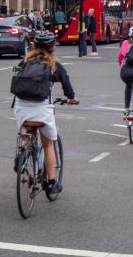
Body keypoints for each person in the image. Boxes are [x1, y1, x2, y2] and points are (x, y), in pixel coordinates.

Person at [13, 32, 78, 195]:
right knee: (48, 143)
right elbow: (67, 85)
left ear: (34, 46)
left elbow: (15, 77)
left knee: (27, 134)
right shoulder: (54, 65)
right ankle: (51, 182)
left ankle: (22, 155)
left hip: (21, 107)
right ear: (52, 47)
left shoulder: (24, 62)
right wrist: (71, 98)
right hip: (41, 109)